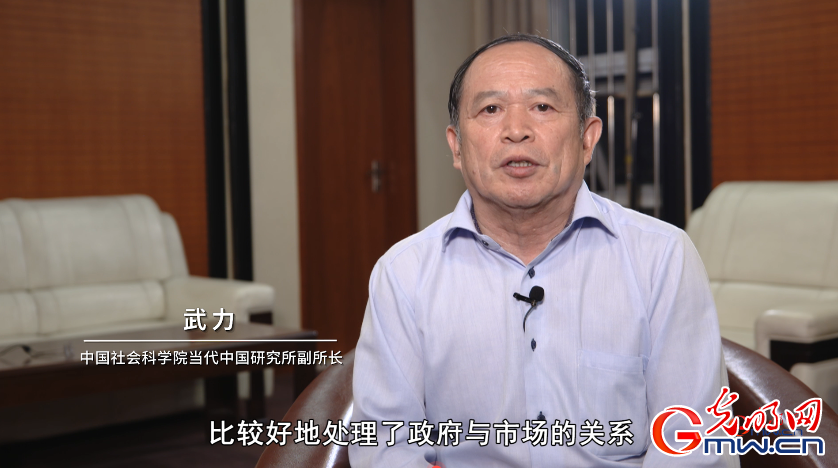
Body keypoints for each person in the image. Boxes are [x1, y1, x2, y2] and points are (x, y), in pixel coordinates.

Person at [350, 34, 737, 467]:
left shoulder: (661, 258)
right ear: (457, 146)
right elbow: (384, 446)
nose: (517, 130)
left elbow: (693, 447)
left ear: (587, 139)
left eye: (542, 107)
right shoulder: (403, 274)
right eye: (491, 109)